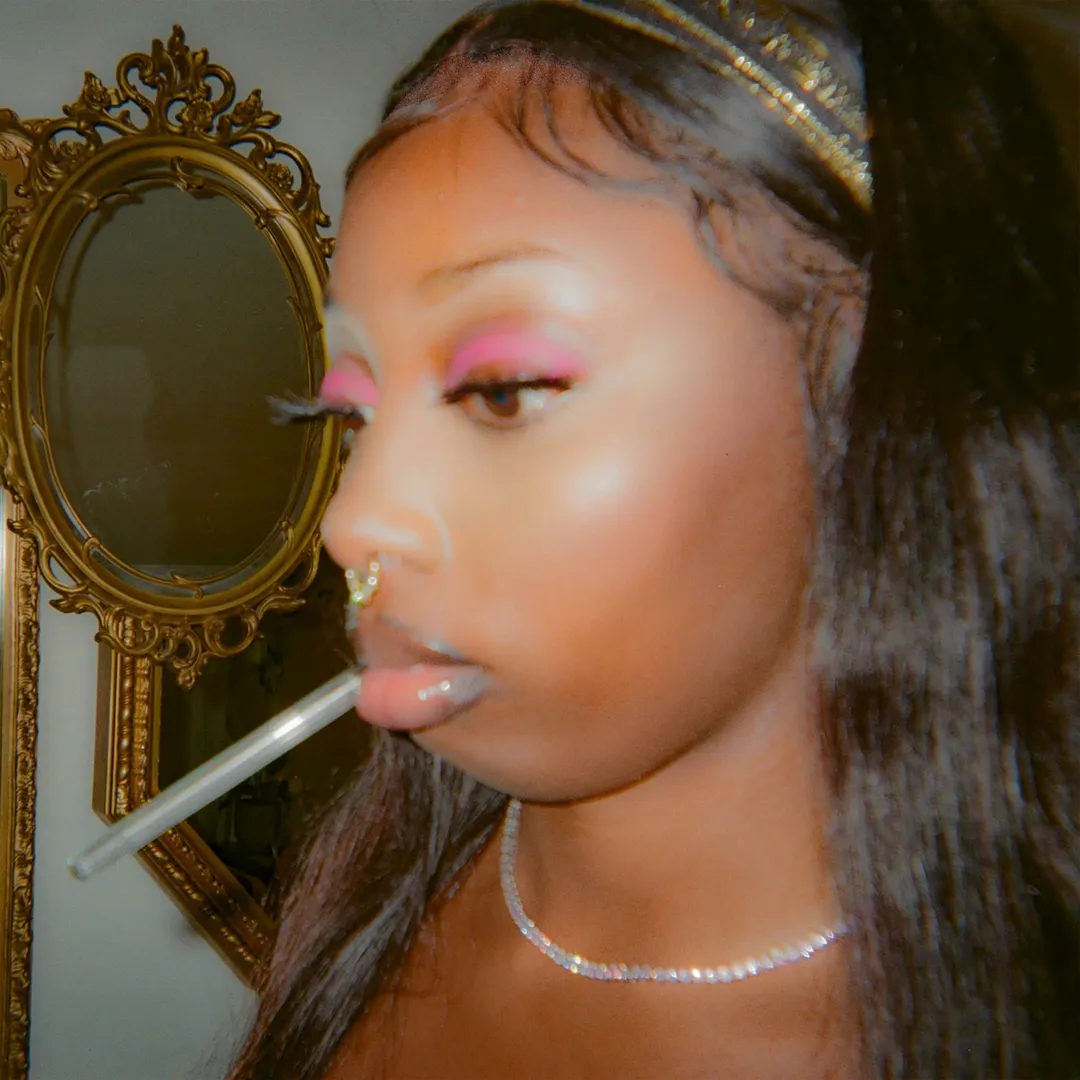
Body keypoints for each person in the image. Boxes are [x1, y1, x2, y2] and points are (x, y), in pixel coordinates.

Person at [226, 1, 1080, 1077]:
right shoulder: (366, 919)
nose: (353, 524)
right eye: (354, 411)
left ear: (875, 404)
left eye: (503, 391)